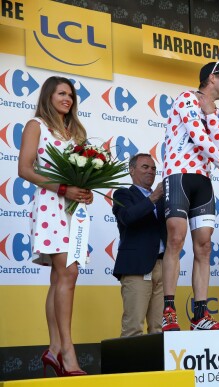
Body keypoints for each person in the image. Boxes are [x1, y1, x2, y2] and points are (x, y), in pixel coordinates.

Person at [18, 76, 93, 376]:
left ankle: (53, 349)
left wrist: (85, 188)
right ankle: (67, 350)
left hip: (74, 208)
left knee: (59, 277)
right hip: (51, 205)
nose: (68, 99)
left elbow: (85, 168)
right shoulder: (36, 125)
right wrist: (62, 189)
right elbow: (24, 169)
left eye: (71, 95)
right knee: (68, 272)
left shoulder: (75, 132)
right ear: (49, 95)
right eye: (62, 93)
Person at [162, 60, 219, 331]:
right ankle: (169, 312)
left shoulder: (217, 112)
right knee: (175, 237)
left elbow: (218, 145)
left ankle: (200, 315)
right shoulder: (186, 98)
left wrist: (211, 115)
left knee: (204, 247)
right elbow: (198, 138)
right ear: (212, 78)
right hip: (179, 174)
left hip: (204, 180)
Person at [112, 153, 166, 337]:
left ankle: (157, 366)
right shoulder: (123, 194)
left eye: (153, 168)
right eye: (145, 167)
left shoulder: (162, 198)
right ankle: (129, 367)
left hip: (163, 266)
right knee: (133, 327)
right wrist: (153, 198)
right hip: (137, 267)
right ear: (132, 170)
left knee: (159, 329)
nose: (150, 171)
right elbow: (127, 217)